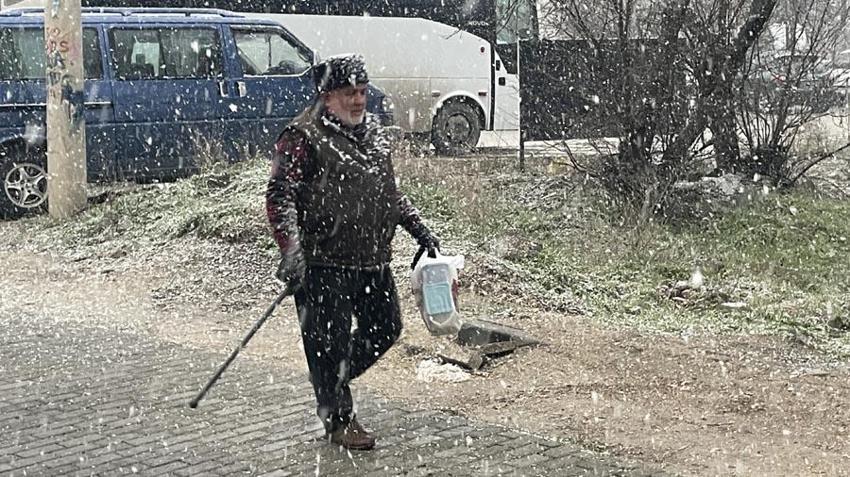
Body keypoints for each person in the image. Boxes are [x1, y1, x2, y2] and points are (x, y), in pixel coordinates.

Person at [266, 54, 440, 451]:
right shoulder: (301, 136)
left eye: (362, 92)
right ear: (327, 96)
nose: (359, 101)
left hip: (371, 257)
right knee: (329, 342)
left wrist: (417, 227)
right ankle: (339, 419)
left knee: (386, 328)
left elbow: (388, 193)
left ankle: (331, 380)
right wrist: (291, 249)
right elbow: (280, 196)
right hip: (323, 261)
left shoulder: (374, 132)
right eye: (349, 93)